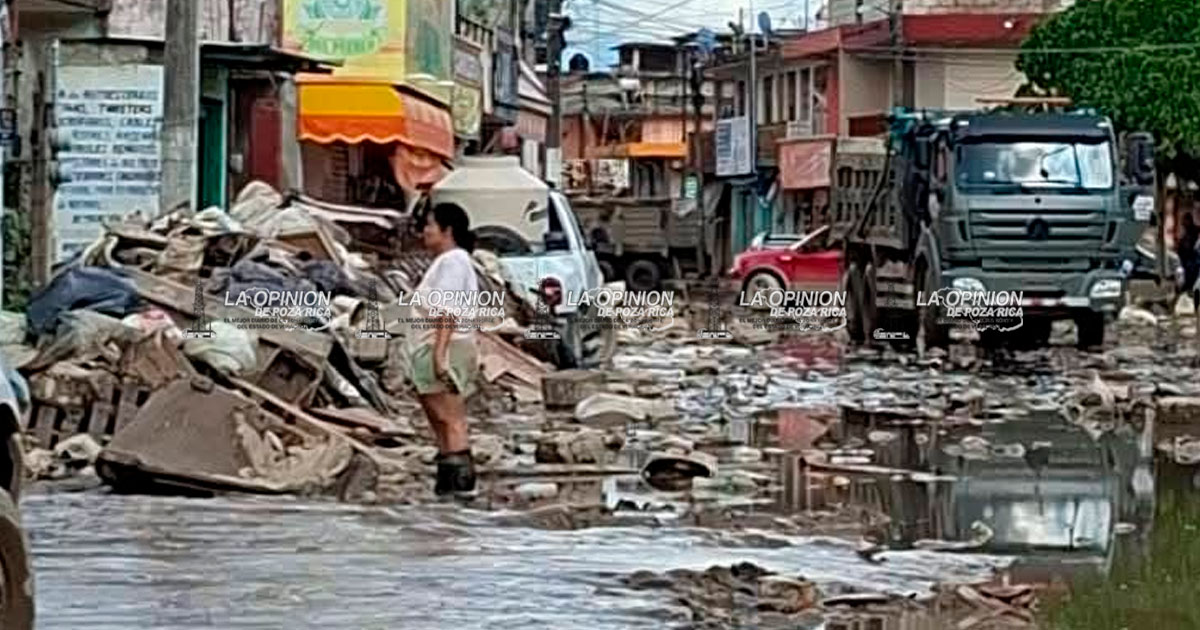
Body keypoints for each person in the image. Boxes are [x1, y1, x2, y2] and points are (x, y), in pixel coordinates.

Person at [405, 202, 481, 497]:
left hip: (446, 347)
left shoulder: (453, 261)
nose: (424, 232)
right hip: (434, 345)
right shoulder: (449, 261)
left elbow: (446, 311)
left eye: (429, 226)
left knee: (450, 419)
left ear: (447, 231)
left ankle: (460, 489)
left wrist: (439, 356)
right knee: (439, 420)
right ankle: (448, 487)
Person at [1178, 213, 1200, 296]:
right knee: (1187, 275)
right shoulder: (1186, 231)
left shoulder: (1194, 230)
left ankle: (1189, 289)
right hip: (1186, 258)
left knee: (1191, 275)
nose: (1183, 223)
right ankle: (1187, 289)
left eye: (1185, 221)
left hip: (1192, 259)